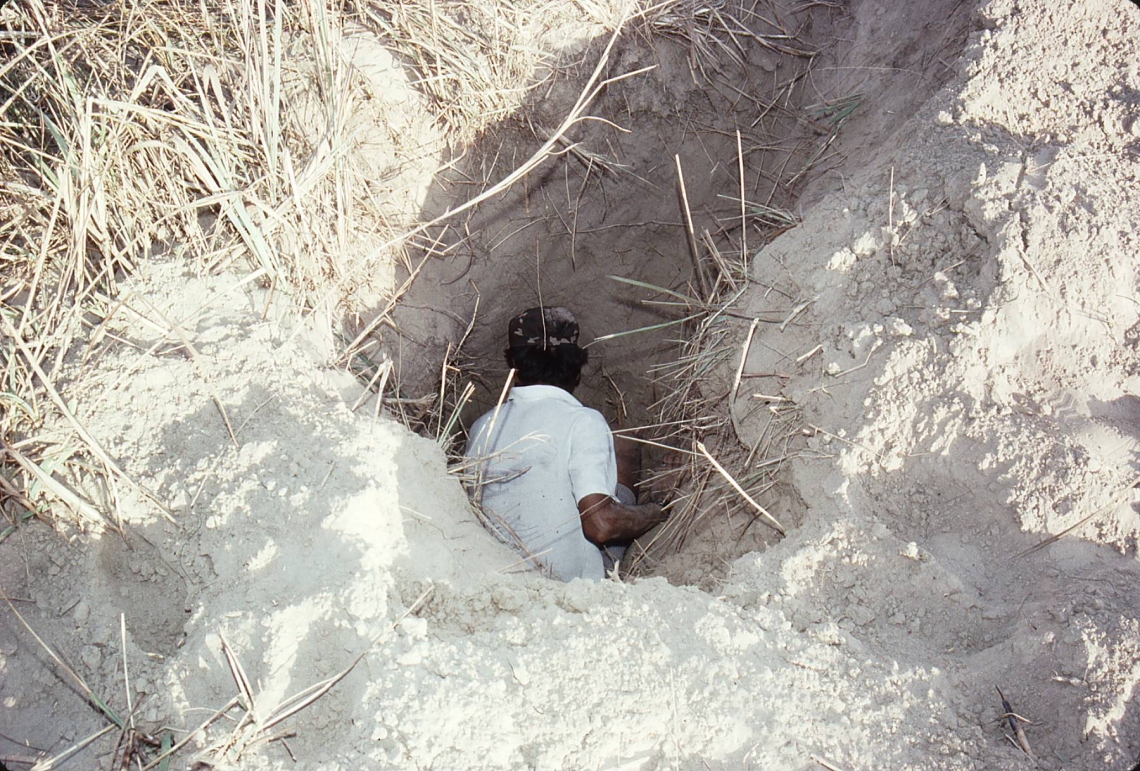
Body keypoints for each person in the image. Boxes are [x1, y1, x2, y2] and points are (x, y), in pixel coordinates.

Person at [465, 306, 666, 581]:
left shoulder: (482, 427)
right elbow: (601, 525)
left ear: (514, 367)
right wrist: (656, 511)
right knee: (625, 442)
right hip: (571, 588)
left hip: (498, 580)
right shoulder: (583, 421)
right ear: (577, 368)